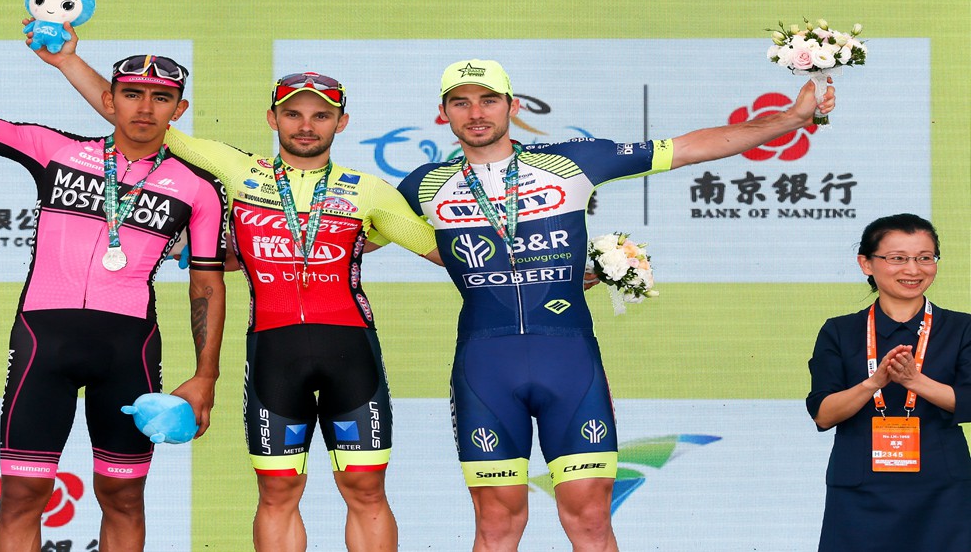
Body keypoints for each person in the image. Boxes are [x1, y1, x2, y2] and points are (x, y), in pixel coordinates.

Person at [396, 59, 837, 552]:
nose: (476, 113)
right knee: (496, 525)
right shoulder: (424, 184)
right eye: (461, 103)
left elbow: (688, 148)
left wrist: (791, 119)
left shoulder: (570, 161)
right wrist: (443, 250)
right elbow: (359, 230)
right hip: (485, 365)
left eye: (488, 100)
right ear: (444, 113)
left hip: (568, 360)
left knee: (590, 521)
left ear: (512, 106)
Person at [34, 30, 441, 551]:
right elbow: (141, 120)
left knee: (365, 489)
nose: (306, 125)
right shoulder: (237, 169)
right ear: (273, 118)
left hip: (351, 351)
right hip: (274, 352)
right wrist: (68, 61)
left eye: (321, 116)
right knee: (277, 492)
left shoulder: (371, 191)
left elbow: (444, 251)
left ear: (341, 122)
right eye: (293, 114)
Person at [0, 0, 229, 552]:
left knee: (124, 498)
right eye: (131, 94)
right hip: (44, 340)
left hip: (128, 349)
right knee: (21, 495)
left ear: (179, 109)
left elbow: (206, 284)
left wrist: (205, 375)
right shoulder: (55, 150)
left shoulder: (198, 188)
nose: (144, 108)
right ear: (109, 100)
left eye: (161, 98)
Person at [806, 214, 971, 551]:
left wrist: (915, 381)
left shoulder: (962, 328)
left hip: (941, 490)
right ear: (866, 264)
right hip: (861, 491)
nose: (913, 269)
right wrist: (873, 383)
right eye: (898, 258)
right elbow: (823, 414)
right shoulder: (839, 331)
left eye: (925, 258)